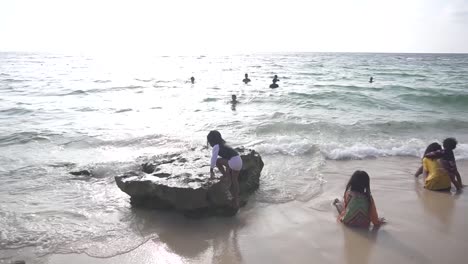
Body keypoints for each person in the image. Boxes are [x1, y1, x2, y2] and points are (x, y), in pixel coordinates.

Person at [207, 130, 243, 208]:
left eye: (209, 142)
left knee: (217, 161)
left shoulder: (216, 146)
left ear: (212, 141)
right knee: (235, 180)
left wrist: (211, 170)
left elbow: (213, 159)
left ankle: (226, 175)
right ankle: (236, 199)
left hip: (233, 162)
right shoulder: (224, 143)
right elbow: (228, 155)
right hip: (239, 161)